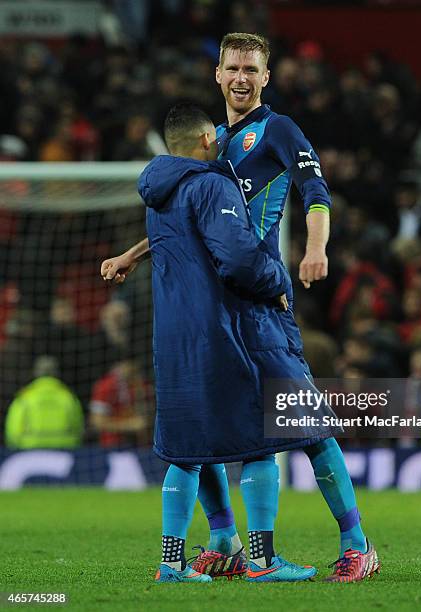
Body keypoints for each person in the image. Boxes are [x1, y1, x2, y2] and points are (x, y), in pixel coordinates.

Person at [102, 33, 379, 584]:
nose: (241, 77)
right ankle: (226, 540)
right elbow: (193, 223)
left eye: (251, 68)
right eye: (233, 67)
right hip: (218, 305)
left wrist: (316, 248)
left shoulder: (277, 130)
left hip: (261, 299)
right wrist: (134, 253)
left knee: (306, 424)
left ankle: (357, 545)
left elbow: (315, 190)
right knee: (204, 430)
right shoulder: (213, 142)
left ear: (266, 76)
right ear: (219, 74)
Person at [140, 102, 322, 583]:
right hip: (216, 330)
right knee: (262, 440)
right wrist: (276, 279)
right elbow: (239, 258)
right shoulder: (211, 184)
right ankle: (262, 561)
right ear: (205, 141)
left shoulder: (157, 195)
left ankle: (172, 562)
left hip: (171, 336)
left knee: (186, 449)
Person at [4, 355, 83, 449]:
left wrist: (14, 448)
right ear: (56, 373)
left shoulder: (25, 397)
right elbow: (78, 428)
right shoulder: (68, 397)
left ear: (35, 372)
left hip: (30, 449)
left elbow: (13, 430)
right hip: (63, 448)